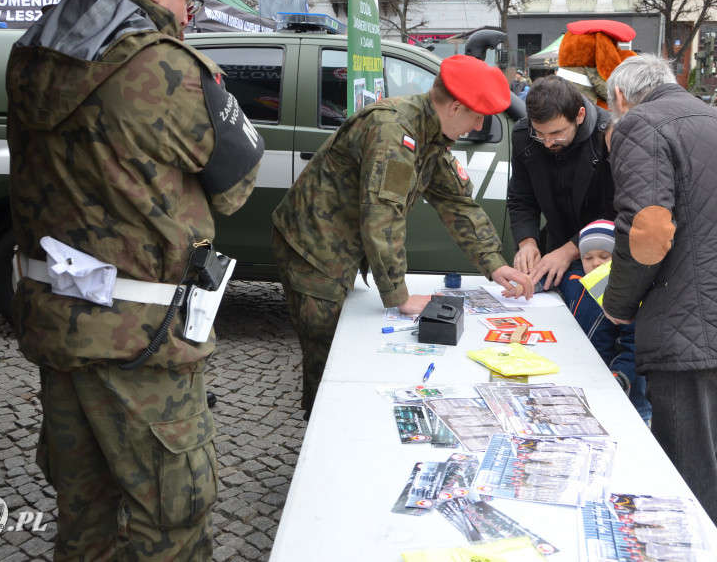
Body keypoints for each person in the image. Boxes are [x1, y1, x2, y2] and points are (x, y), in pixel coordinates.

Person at [5, 0, 264, 560]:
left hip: (58, 327)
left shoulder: (29, 55)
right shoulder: (164, 70)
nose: (188, 11)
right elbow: (239, 183)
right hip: (141, 345)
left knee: (84, 522)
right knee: (170, 525)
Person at [272, 55, 535, 414]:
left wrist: (494, 264)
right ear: (455, 106)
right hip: (313, 248)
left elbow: (457, 203)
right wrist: (400, 296)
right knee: (328, 353)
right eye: (477, 116)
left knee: (345, 350)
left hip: (343, 245)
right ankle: (322, 427)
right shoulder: (394, 133)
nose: (477, 126)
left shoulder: (430, 135)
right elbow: (383, 216)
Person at [602, 53, 717, 528]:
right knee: (704, 465)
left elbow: (648, 231)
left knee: (684, 484)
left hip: (692, 328)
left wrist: (617, 305)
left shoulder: (642, 124)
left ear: (621, 97)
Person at [507, 74, 616, 289]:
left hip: (603, 256)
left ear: (580, 115)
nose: (547, 143)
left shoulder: (608, 135)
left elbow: (617, 212)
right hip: (554, 245)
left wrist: (569, 251)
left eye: (557, 133)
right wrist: (527, 242)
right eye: (539, 134)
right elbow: (521, 199)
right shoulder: (523, 136)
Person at [559, 220, 651, 422]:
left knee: (634, 420)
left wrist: (620, 376)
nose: (595, 263)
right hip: (586, 376)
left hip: (621, 382)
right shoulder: (574, 280)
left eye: (605, 256)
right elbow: (553, 278)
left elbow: (635, 345)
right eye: (588, 257)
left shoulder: (628, 295)